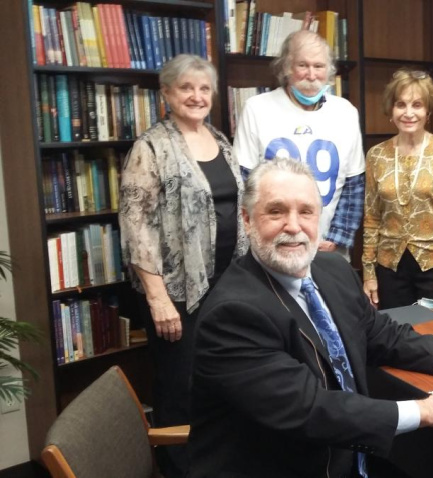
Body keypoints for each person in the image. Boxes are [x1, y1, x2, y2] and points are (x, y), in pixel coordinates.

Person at [188, 157, 433, 477]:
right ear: (247, 220)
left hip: (348, 456)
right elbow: (310, 409)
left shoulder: (331, 269)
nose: (293, 226)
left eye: (306, 212)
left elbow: (381, 333)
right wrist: (424, 412)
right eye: (275, 212)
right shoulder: (233, 314)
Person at [119, 54, 249, 477]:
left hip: (226, 287)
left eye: (204, 88)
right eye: (186, 88)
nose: (196, 96)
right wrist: (157, 299)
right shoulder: (150, 147)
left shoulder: (219, 139)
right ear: (167, 94)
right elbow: (135, 226)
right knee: (180, 384)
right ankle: (178, 468)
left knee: (221, 376)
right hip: (176, 294)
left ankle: (215, 458)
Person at [233, 30, 364, 258]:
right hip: (274, 245)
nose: (311, 75)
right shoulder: (257, 108)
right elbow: (243, 182)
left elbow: (354, 185)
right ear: (286, 67)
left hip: (328, 249)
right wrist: (260, 234)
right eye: (302, 65)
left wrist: (337, 237)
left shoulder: (346, 112)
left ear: (329, 71)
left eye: (319, 66)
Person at [362, 69, 433, 312]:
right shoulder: (376, 155)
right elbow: (371, 218)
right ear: (391, 110)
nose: (408, 113)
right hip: (389, 267)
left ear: (428, 112)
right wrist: (368, 273)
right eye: (401, 104)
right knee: (395, 340)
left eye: (417, 105)